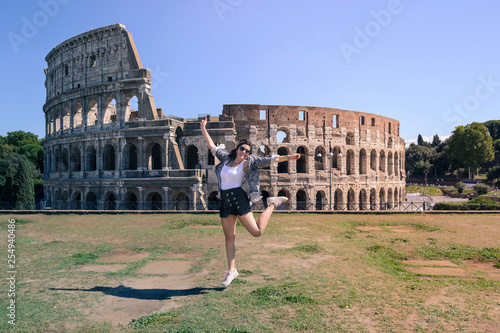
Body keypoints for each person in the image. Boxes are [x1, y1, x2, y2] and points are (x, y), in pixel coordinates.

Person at [201, 117, 300, 286]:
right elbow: (212, 147)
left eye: (247, 151)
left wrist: (289, 157)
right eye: (242, 149)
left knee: (257, 232)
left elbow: (268, 159)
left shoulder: (248, 163)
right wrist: (203, 128)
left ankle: (272, 204)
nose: (244, 152)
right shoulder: (225, 159)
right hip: (225, 201)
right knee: (229, 237)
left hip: (239, 199)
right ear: (237, 148)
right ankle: (231, 271)